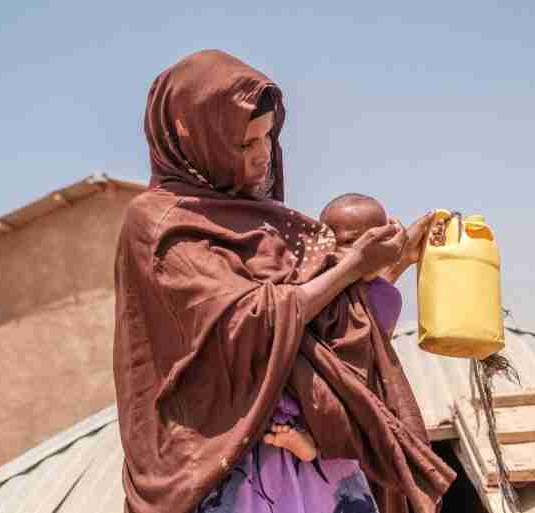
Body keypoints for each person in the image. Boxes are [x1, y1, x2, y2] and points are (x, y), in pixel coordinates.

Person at [113, 49, 456, 513]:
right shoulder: (158, 225)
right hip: (229, 473)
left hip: (317, 470)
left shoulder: (264, 220)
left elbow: (319, 336)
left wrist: (392, 264)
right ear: (190, 135)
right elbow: (249, 323)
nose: (261, 159)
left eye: (268, 138)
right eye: (243, 145)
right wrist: (353, 266)